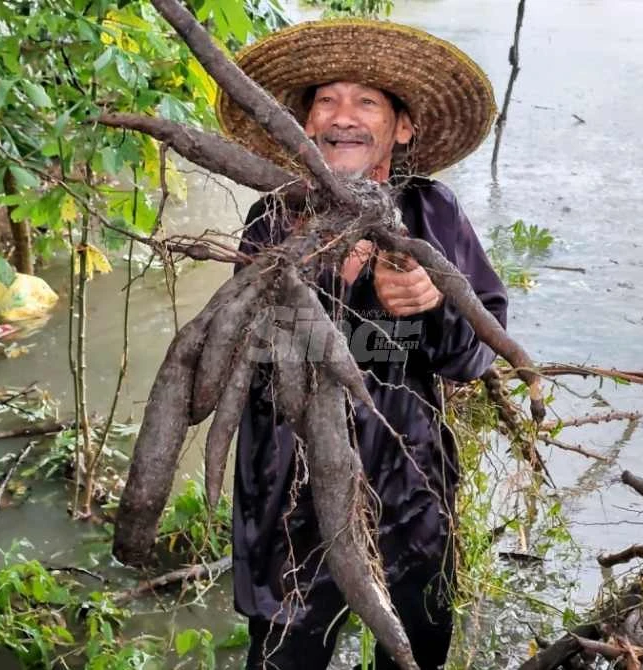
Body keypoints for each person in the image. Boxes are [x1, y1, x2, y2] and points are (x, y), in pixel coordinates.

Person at [214, 19, 508, 670]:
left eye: (366, 101)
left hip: (408, 497)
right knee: (284, 657)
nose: (342, 116)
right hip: (290, 494)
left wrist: (437, 302)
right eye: (326, 100)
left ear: (401, 128)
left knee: (412, 652)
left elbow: (472, 352)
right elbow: (235, 360)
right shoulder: (271, 217)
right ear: (305, 123)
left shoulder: (434, 214)